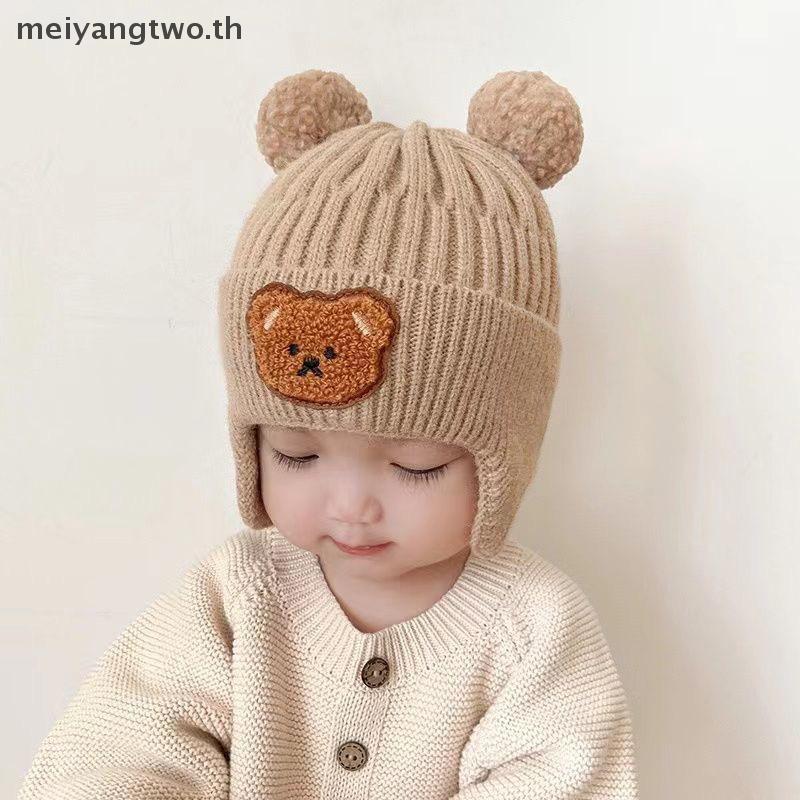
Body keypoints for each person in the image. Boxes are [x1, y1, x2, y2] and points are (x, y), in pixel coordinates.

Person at [18, 68, 639, 799]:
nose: (350, 505)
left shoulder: (534, 628)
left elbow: (561, 782)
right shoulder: (240, 594)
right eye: (296, 453)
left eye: (416, 465)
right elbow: (123, 745)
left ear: (505, 459)